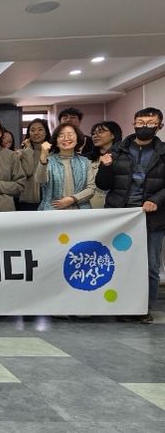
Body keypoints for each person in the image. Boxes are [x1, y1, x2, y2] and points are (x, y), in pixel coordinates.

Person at [96, 107, 165, 323]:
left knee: (151, 265)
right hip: (120, 216)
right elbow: (103, 185)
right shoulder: (117, 150)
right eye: (140, 122)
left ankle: (144, 308)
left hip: (152, 216)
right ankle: (119, 304)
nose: (145, 127)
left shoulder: (163, 152)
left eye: (150, 123)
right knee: (118, 261)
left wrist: (156, 200)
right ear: (133, 124)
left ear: (159, 126)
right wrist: (105, 167)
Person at [36, 123, 95, 211]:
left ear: (77, 139)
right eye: (61, 136)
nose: (66, 138)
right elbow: (40, 180)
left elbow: (91, 188)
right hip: (53, 211)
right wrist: (43, 158)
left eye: (70, 134)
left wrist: (72, 199)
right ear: (56, 142)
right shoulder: (49, 161)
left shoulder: (85, 161)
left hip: (80, 212)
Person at [17, 119, 52, 211]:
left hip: (50, 201)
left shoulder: (53, 152)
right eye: (32, 130)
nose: (36, 133)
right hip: (28, 201)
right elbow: (27, 172)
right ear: (29, 133)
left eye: (40, 129)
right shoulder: (21, 153)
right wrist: (28, 150)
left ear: (46, 132)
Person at [87, 121, 122, 209]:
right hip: (91, 206)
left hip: (116, 206)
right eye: (93, 133)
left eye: (101, 132)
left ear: (113, 135)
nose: (95, 136)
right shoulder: (87, 158)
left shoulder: (124, 157)